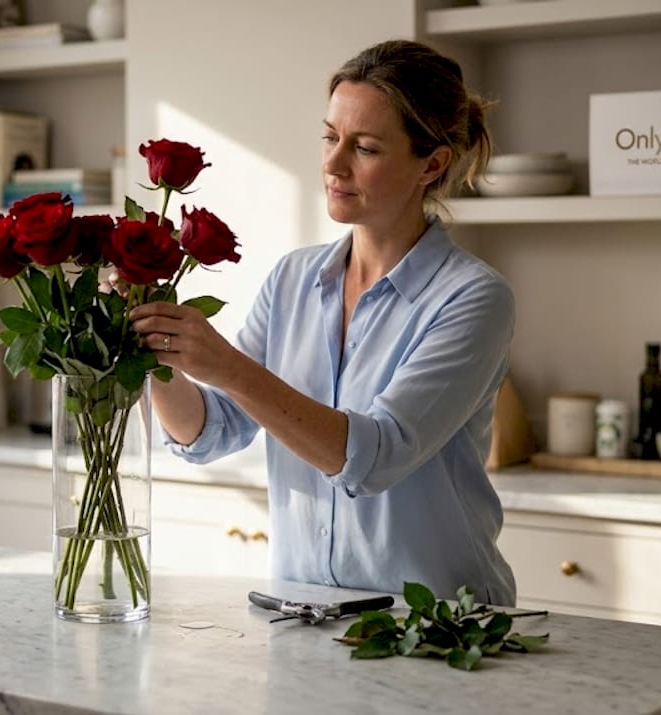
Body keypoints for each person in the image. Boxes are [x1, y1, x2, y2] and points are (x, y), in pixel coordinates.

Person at [130, 39, 516, 605]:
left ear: (431, 164)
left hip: (437, 626)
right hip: (306, 616)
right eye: (330, 137)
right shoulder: (292, 280)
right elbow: (210, 433)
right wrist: (155, 338)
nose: (334, 165)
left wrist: (231, 368)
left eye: (364, 148)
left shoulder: (473, 298)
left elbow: (375, 456)